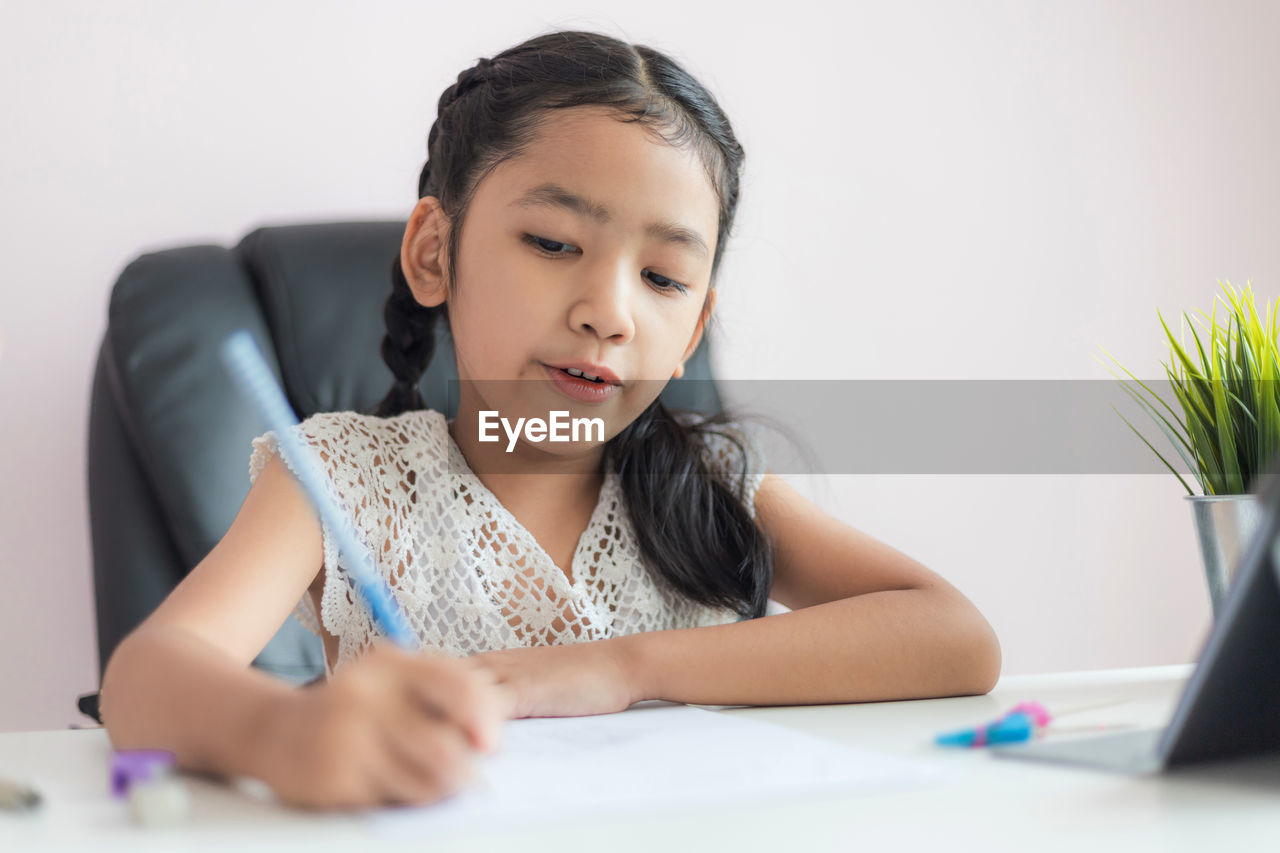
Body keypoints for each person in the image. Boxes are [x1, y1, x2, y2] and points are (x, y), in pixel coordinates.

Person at [101, 29, 1001, 811]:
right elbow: (145, 680)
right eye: (554, 244)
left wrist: (622, 669)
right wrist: (290, 735)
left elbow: (956, 636)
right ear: (432, 253)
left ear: (693, 328)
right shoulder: (343, 478)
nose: (610, 311)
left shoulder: (711, 485)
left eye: (662, 278)